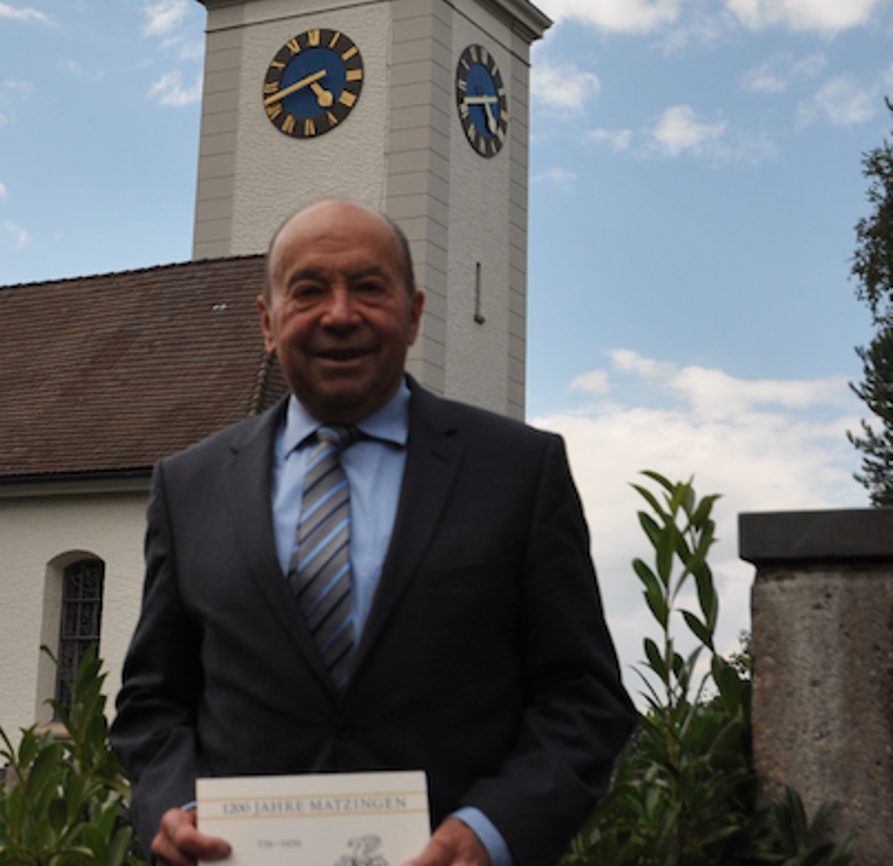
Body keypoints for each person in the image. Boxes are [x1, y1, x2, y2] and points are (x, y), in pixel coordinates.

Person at [110, 198, 635, 866]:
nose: (339, 313)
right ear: (268, 323)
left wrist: (494, 829)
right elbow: (153, 703)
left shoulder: (521, 473)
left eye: (368, 287)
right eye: (308, 291)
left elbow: (584, 699)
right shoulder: (188, 488)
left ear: (413, 314)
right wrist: (173, 807)